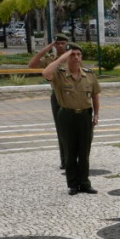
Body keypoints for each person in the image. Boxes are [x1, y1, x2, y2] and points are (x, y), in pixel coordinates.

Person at [42, 43, 101, 195]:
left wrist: (96, 114)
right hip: (67, 116)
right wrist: (62, 58)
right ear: (67, 57)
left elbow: (95, 94)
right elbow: (45, 73)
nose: (75, 57)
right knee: (70, 152)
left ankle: (85, 183)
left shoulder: (89, 74)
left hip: (85, 116)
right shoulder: (60, 74)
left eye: (78, 55)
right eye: (72, 55)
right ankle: (73, 184)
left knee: (84, 152)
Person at [29, 33, 70, 169]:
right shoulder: (51, 59)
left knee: (74, 128)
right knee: (61, 129)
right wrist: (47, 48)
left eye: (62, 43)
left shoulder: (73, 57)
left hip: (72, 94)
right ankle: (64, 160)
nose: (60, 46)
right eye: (57, 43)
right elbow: (32, 65)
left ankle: (74, 157)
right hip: (57, 95)